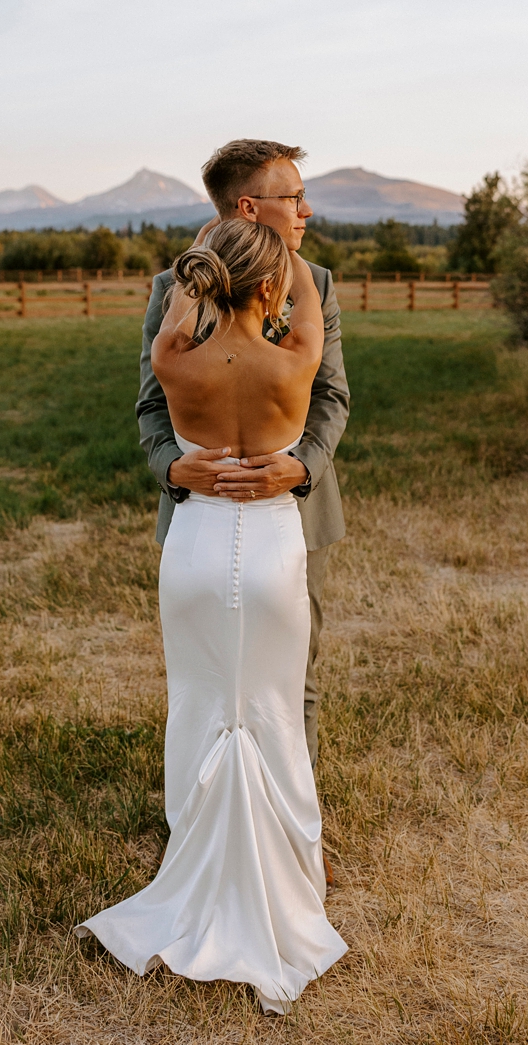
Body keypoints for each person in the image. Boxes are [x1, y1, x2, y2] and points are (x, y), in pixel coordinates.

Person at [74, 216, 348, 1012]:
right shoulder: (295, 353)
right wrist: (278, 252)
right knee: (271, 714)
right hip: (268, 552)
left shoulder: (172, 357)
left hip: (193, 548)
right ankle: (290, 880)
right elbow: (297, 284)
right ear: (269, 286)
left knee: (198, 709)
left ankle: (190, 867)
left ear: (200, 281)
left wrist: (211, 240)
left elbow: (175, 317)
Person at [138, 140, 350, 773]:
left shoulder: (318, 282)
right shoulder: (172, 289)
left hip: (293, 512)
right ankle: (207, 817)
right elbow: (151, 408)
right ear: (250, 209)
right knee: (207, 675)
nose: (307, 210)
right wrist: (170, 468)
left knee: (294, 674)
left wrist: (304, 465)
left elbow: (332, 395)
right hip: (199, 510)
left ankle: (297, 831)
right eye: (293, 197)